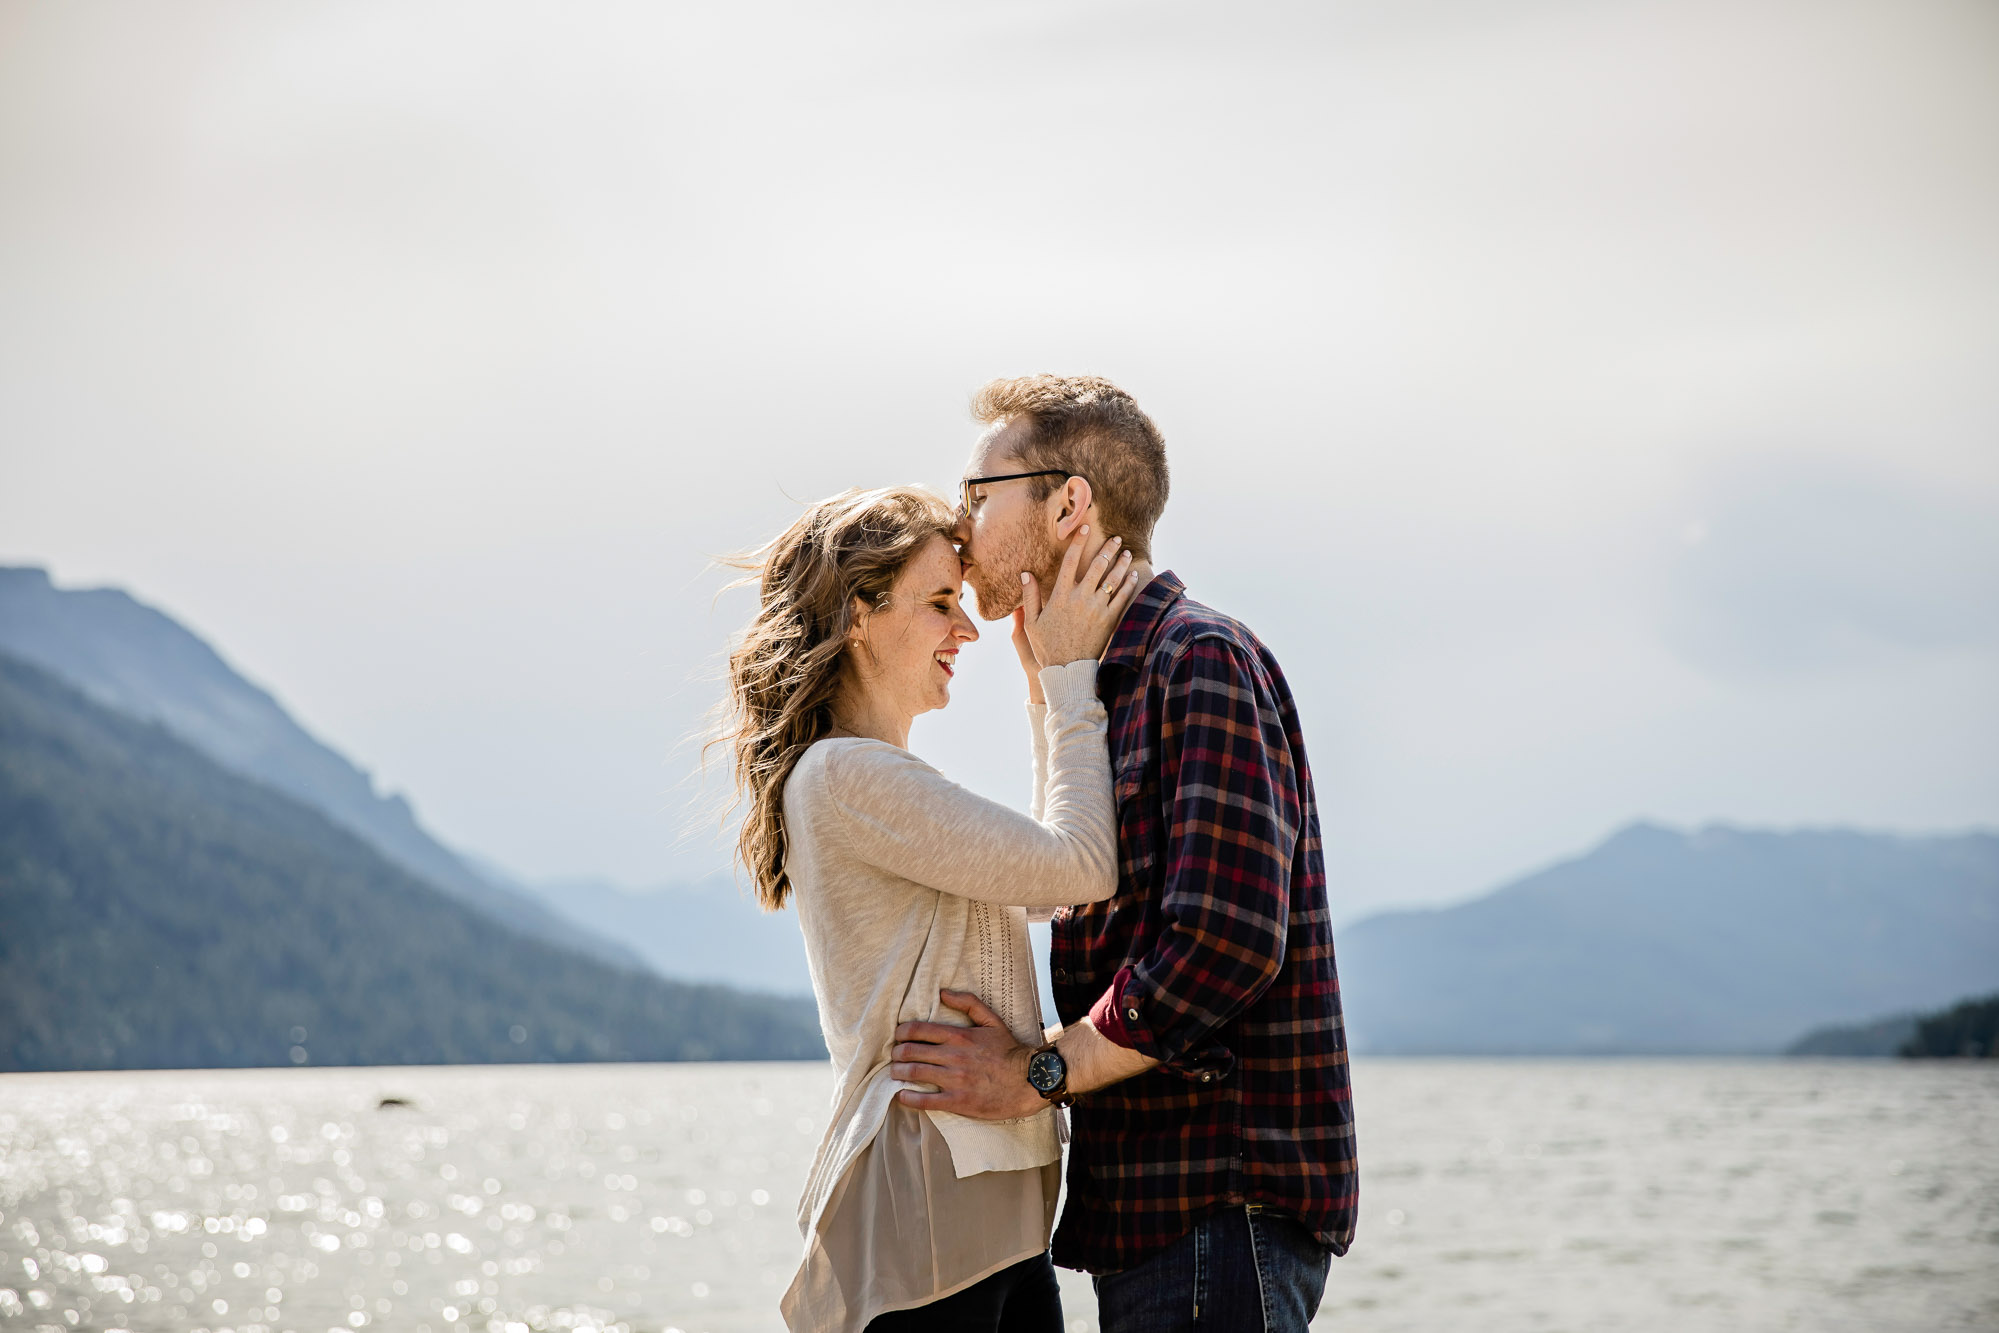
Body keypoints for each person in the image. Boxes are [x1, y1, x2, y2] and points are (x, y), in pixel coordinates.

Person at [890, 375, 1359, 1333]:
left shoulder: (1197, 659)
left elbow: (1222, 943)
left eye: (980, 494)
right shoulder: (1109, 683)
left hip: (1216, 1210)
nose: (960, 519)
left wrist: (1035, 1073)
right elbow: (1053, 875)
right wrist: (1050, 693)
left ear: (1068, 502)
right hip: (1161, 1220)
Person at [717, 484, 1145, 1333]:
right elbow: (1083, 866)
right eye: (940, 601)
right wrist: (1066, 678)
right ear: (856, 617)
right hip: (933, 1204)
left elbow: (1047, 880)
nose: (967, 628)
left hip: (973, 1208)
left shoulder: (868, 780)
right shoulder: (850, 776)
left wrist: (1038, 690)